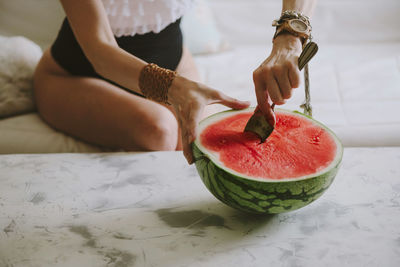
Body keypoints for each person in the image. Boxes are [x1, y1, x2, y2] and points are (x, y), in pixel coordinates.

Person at [33, 0, 316, 164]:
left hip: (174, 59)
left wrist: (289, 38)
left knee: (204, 146)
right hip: (71, 77)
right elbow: (99, 51)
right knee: (159, 129)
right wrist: (175, 88)